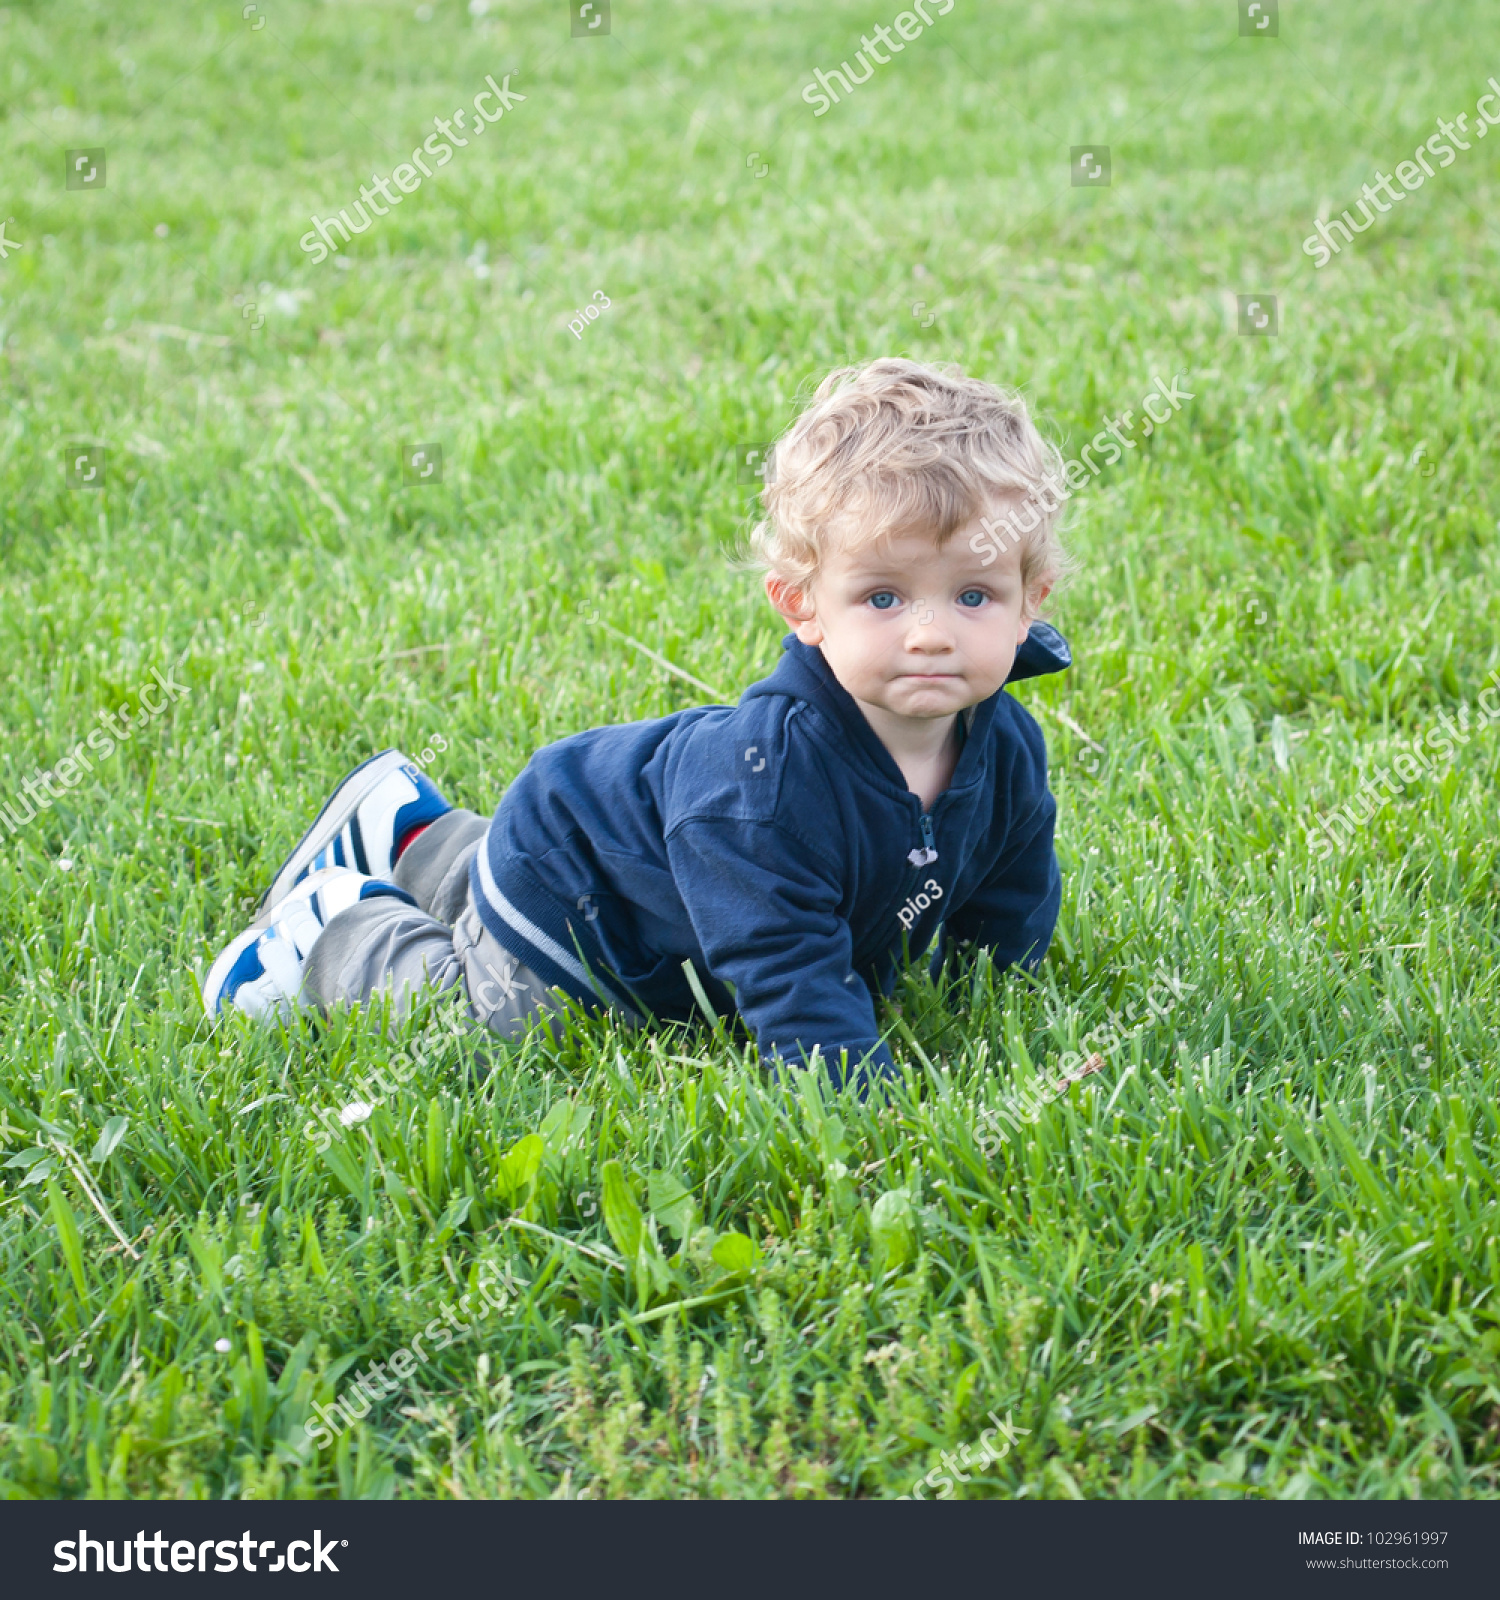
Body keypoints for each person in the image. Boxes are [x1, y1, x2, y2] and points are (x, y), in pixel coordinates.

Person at [203, 358, 1074, 1089]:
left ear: (1028, 602)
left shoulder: (1004, 748)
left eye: (973, 594)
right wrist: (848, 1085)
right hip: (586, 910)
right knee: (495, 1027)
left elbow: (1010, 886)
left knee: (584, 879)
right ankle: (340, 928)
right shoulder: (769, 786)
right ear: (803, 606)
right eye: (882, 596)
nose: (930, 632)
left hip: (610, 844)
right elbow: (784, 960)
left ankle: (415, 835)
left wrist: (993, 985)